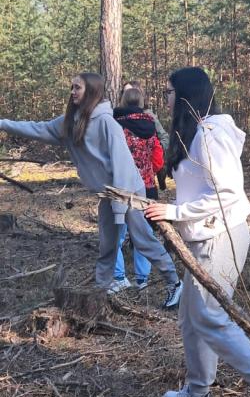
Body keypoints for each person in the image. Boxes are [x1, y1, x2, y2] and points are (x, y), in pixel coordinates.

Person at [144, 66, 250, 397]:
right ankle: (198, 393)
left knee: (210, 317)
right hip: (204, 237)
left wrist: (175, 212)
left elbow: (227, 192)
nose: (165, 98)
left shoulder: (211, 134)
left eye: (169, 92)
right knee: (191, 317)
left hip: (220, 237)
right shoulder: (197, 132)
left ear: (186, 95)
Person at [0, 72, 182, 307]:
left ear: (92, 91)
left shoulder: (107, 122)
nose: (72, 92)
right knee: (108, 244)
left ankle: (174, 283)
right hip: (108, 193)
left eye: (77, 87)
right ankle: (101, 291)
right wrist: (3, 123)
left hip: (128, 192)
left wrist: (120, 210)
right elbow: (38, 128)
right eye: (72, 87)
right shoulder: (71, 121)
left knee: (143, 240)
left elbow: (123, 166)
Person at [110, 87, 166, 293]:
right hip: (146, 187)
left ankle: (118, 277)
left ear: (123, 102)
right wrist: (149, 170)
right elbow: (158, 159)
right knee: (143, 234)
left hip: (121, 186)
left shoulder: (116, 125)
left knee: (116, 234)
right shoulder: (151, 125)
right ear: (142, 102)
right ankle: (143, 279)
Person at [122, 80, 169, 189]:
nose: (128, 95)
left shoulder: (148, 115)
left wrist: (152, 154)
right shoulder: (120, 117)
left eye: (131, 92)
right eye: (124, 92)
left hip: (146, 179)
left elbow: (164, 138)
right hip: (125, 178)